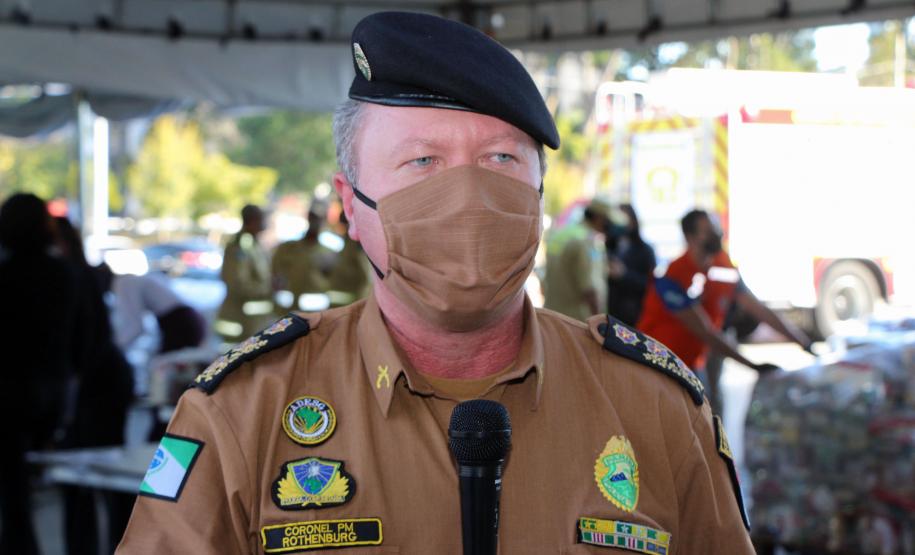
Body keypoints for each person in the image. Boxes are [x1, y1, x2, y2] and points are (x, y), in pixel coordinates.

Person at [118, 12, 754, 554]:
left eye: (500, 159)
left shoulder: (658, 408)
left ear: (538, 194)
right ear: (352, 207)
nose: (467, 196)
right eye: (422, 161)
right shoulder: (240, 413)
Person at [637, 209, 812, 404]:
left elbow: (759, 310)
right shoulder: (673, 275)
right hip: (659, 363)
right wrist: (752, 365)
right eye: (709, 230)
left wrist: (802, 341)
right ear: (690, 237)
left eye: (717, 228)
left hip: (693, 362)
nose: (717, 234)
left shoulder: (723, 266)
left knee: (709, 410)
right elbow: (704, 331)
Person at [0, 194, 79, 555]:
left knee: (13, 491)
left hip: (13, 391)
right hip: (54, 389)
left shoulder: (7, 274)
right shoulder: (62, 273)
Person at [54, 216, 136, 555]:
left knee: (100, 476)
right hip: (100, 382)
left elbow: (79, 345)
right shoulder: (75, 274)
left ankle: (122, 544)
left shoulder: (67, 276)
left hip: (98, 385)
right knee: (90, 479)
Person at [97, 264, 207, 355]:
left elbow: (135, 327)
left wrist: (112, 351)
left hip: (181, 325)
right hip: (186, 320)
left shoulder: (122, 284)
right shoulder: (128, 280)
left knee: (168, 371)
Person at [543, 197, 610, 321]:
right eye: (608, 220)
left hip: (551, 316)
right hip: (577, 322)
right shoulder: (588, 241)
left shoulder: (561, 234)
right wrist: (600, 323)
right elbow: (590, 290)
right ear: (599, 218)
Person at [215, 204, 274, 343]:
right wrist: (269, 288)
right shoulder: (238, 248)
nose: (264, 223)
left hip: (255, 324)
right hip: (238, 323)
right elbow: (237, 283)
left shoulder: (256, 245)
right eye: (261, 219)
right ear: (252, 221)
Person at [271, 202, 334, 312]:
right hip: (288, 311)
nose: (315, 222)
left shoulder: (329, 253)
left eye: (319, 218)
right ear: (308, 217)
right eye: (313, 217)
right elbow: (274, 273)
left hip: (317, 313)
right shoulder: (287, 248)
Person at [606, 203, 656, 326]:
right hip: (610, 317)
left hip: (635, 318)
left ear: (633, 221)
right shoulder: (606, 248)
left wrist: (624, 275)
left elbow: (651, 286)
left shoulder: (645, 250)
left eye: (623, 219)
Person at [326, 210, 371, 307]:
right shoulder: (348, 246)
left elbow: (365, 281)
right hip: (341, 306)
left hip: (351, 306)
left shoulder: (357, 248)